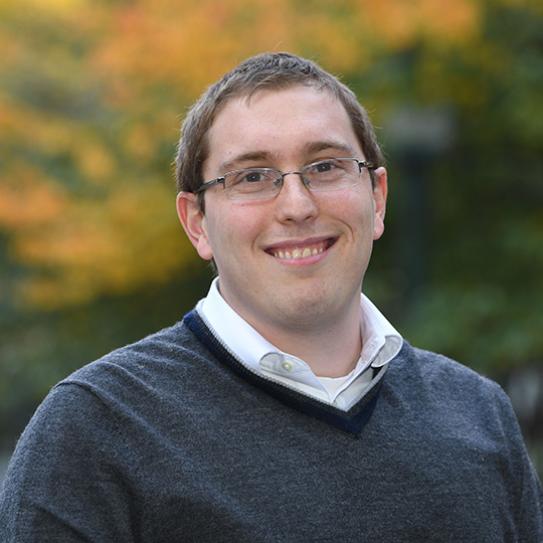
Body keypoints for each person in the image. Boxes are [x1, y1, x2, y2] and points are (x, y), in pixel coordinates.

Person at [1, 52, 541, 542]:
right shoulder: (96, 428)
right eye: (253, 177)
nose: (297, 206)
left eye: (325, 166)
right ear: (197, 223)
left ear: (376, 198)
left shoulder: (479, 415)